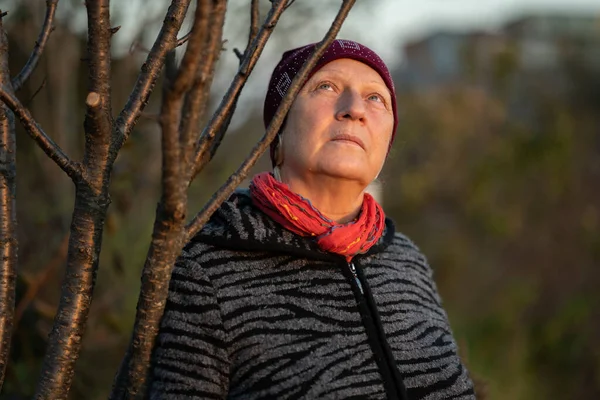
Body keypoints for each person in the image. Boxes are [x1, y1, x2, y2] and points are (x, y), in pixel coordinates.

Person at [148, 39, 476, 399]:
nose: (354, 109)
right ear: (278, 132)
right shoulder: (208, 267)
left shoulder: (406, 259)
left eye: (375, 98)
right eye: (326, 87)